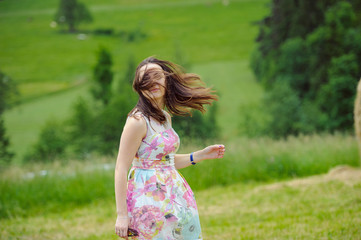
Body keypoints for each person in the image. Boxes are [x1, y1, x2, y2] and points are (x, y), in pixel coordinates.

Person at [114, 57, 226, 239]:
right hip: (148, 201)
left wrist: (201, 155)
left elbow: (165, 162)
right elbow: (121, 167)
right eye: (145, 78)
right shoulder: (137, 121)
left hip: (174, 194)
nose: (152, 82)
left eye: (157, 76)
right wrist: (122, 215)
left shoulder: (165, 117)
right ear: (138, 86)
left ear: (167, 80)